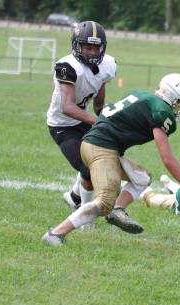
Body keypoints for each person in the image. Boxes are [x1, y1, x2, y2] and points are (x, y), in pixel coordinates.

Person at [42, 73, 180, 246]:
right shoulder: (161, 110)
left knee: (142, 178)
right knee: (105, 200)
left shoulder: (142, 94)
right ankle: (56, 233)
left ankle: (118, 209)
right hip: (101, 147)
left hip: (99, 144)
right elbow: (167, 158)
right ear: (174, 99)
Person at [46, 21, 115, 213]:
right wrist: (97, 120)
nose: (92, 52)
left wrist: (104, 112)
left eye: (95, 47)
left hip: (84, 120)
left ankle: (74, 197)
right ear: (77, 45)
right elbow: (67, 107)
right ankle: (86, 217)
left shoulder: (108, 64)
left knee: (108, 156)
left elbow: (100, 90)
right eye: (87, 47)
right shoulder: (67, 66)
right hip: (63, 125)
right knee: (89, 170)